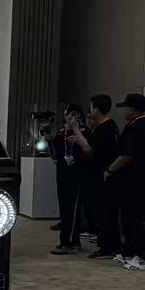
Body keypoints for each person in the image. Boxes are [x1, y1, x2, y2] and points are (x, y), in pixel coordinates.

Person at [67, 95, 119, 258]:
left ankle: (107, 248)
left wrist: (76, 129)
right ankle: (108, 245)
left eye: (91, 107)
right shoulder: (105, 126)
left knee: (104, 213)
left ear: (97, 109)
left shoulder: (106, 128)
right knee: (102, 213)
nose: (89, 112)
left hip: (101, 176)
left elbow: (90, 151)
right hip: (100, 175)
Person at [104, 94, 145, 269]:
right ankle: (129, 251)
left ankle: (139, 256)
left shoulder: (136, 127)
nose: (124, 111)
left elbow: (126, 156)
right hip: (133, 181)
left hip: (135, 182)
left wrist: (109, 170)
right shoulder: (135, 125)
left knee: (135, 219)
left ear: (134, 109)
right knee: (129, 218)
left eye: (126, 107)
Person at [51, 103, 89, 255]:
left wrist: (77, 133)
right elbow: (54, 155)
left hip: (76, 175)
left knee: (73, 210)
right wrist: (49, 140)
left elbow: (88, 151)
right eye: (69, 114)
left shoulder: (83, 132)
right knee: (64, 208)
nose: (72, 117)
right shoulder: (61, 134)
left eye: (75, 114)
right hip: (62, 175)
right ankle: (71, 241)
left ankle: (68, 242)